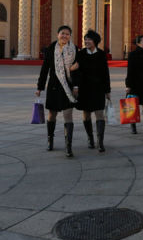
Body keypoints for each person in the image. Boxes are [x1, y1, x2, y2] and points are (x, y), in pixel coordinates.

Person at [36, 25, 79, 158]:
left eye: (67, 34)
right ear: (57, 34)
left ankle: (68, 145)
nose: (64, 36)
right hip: (54, 85)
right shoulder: (51, 49)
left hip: (68, 86)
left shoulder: (74, 49)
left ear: (70, 36)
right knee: (52, 115)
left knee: (68, 115)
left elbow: (77, 69)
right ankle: (50, 139)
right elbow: (45, 69)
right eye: (62, 33)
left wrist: (76, 86)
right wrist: (40, 87)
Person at [75, 29, 111, 153]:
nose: (86, 41)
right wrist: (76, 86)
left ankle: (100, 141)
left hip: (98, 88)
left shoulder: (101, 54)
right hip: (84, 89)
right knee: (86, 113)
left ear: (95, 41)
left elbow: (105, 73)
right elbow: (77, 72)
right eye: (85, 39)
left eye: (89, 39)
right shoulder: (80, 54)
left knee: (99, 113)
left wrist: (107, 90)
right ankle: (90, 138)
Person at [125, 35, 143, 136]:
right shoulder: (132, 55)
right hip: (134, 83)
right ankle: (133, 125)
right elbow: (130, 71)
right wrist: (128, 85)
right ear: (138, 44)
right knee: (132, 105)